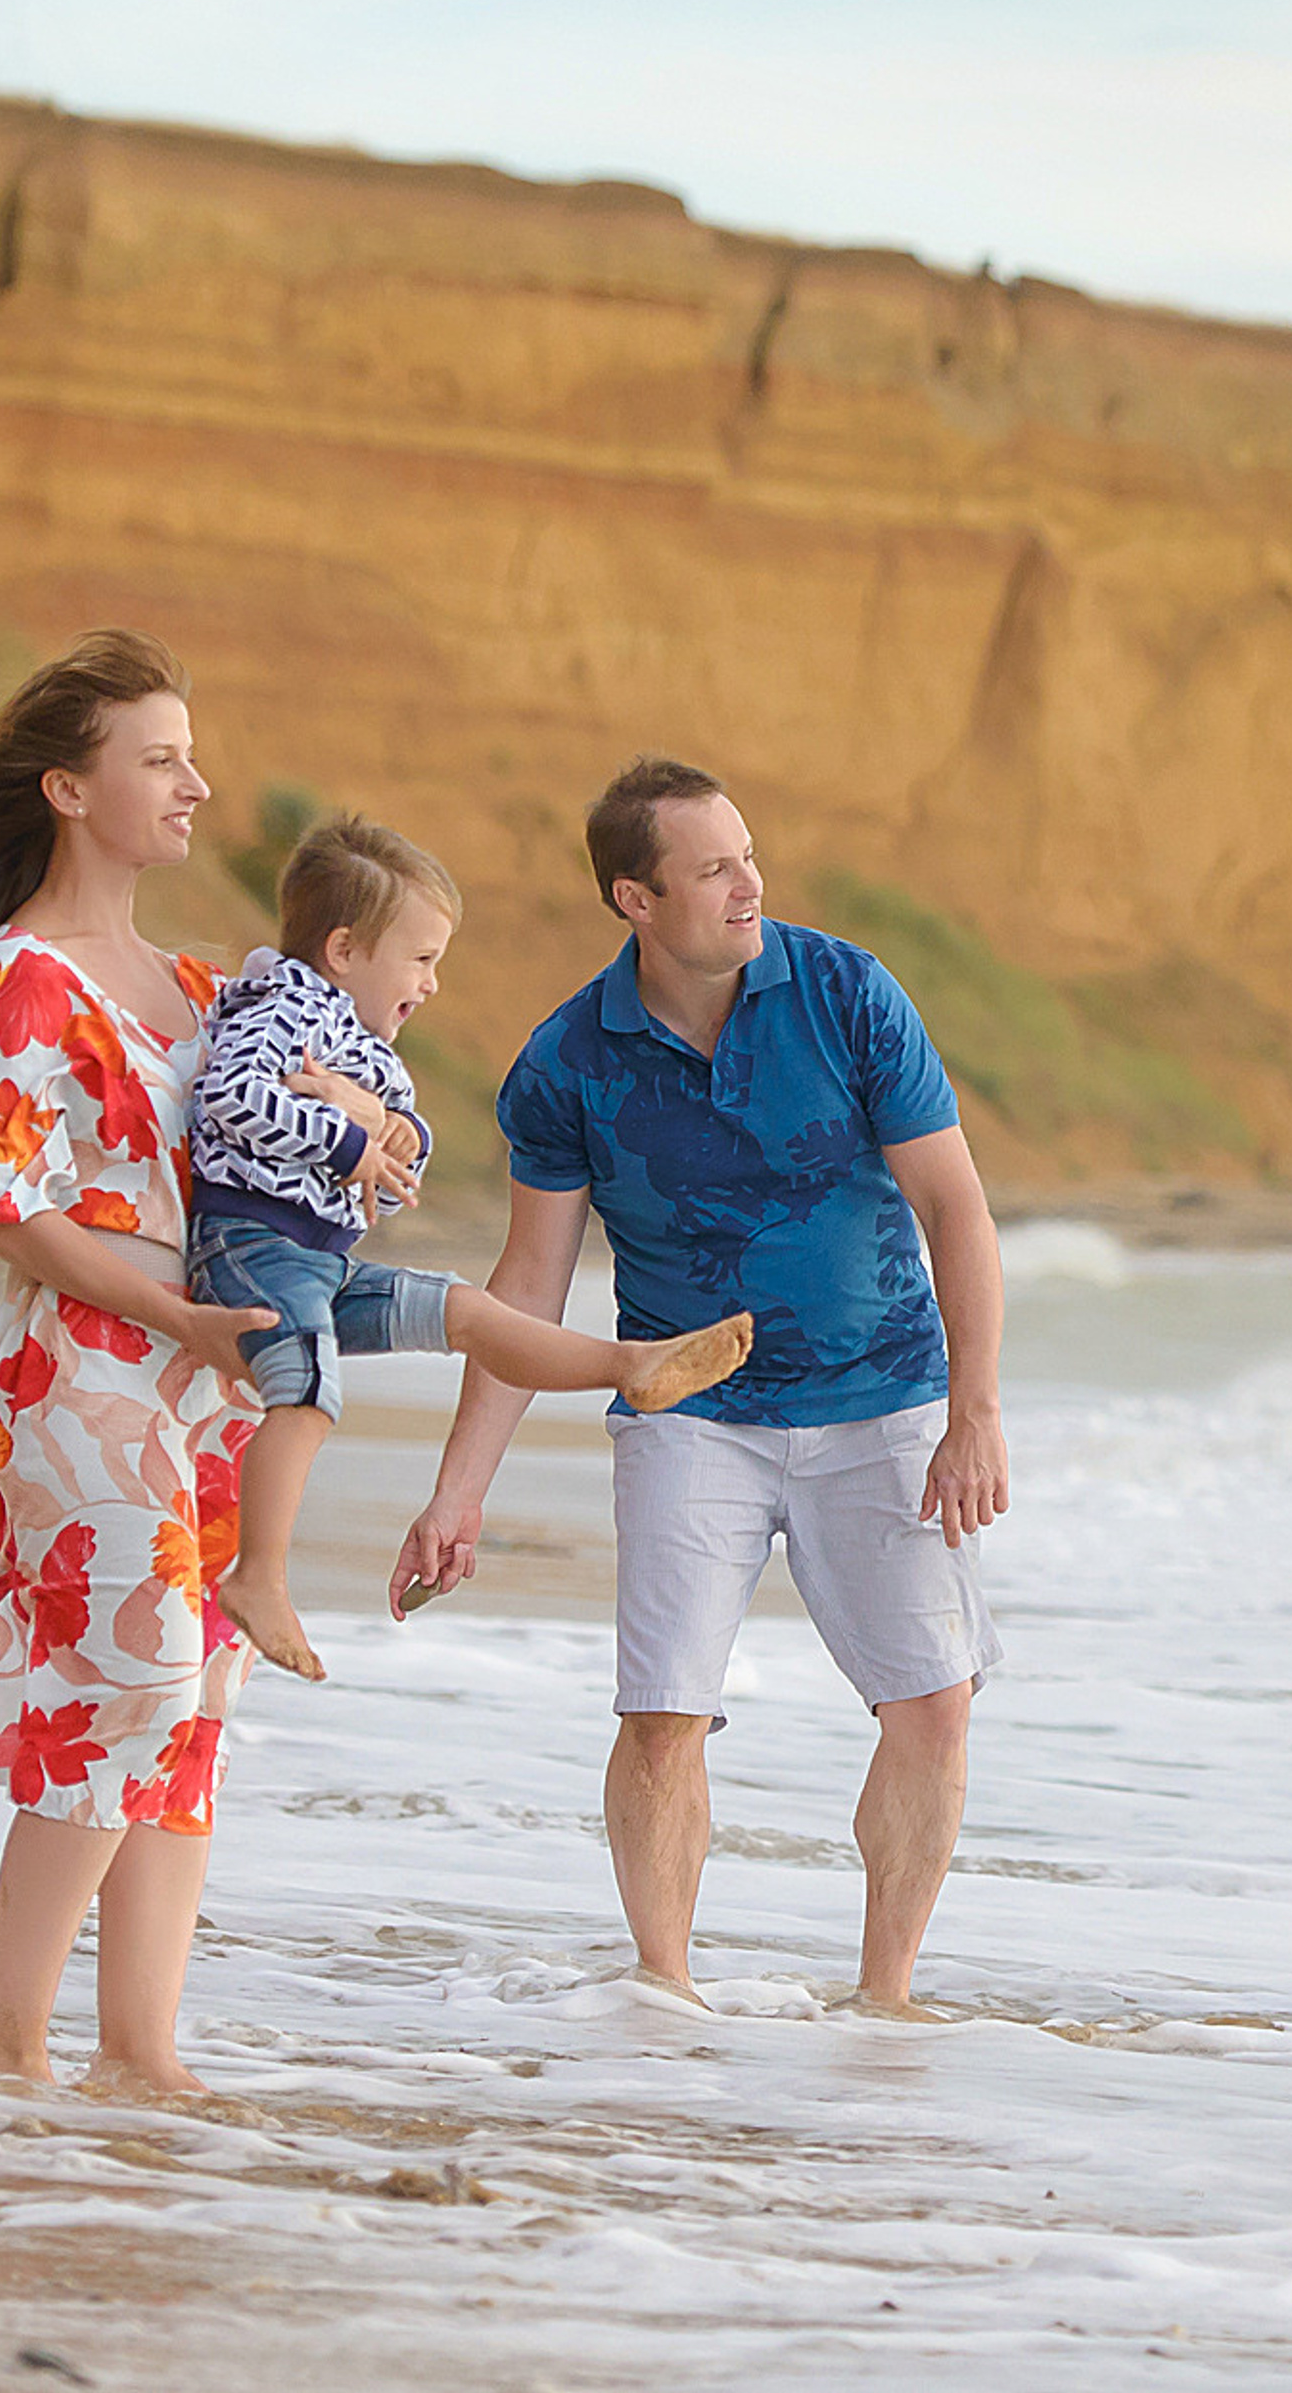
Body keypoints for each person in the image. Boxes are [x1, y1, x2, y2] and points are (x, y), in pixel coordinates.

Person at [391, 758, 1008, 2011]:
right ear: (636, 896)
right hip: (689, 1416)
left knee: (932, 1705)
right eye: (715, 866)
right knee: (663, 1712)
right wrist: (455, 1496)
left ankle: (883, 1998)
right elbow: (527, 1289)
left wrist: (974, 1413)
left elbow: (956, 1205)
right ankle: (661, 1994)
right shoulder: (568, 1061)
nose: (750, 883)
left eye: (749, 854)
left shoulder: (845, 993)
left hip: (881, 1397)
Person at [188, 813, 752, 1685]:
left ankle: (629, 1363)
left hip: (318, 1259)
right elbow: (229, 1097)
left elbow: (408, 1126)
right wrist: (348, 1144)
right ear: (344, 950)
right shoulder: (282, 1009)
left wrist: (385, 1129)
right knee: (304, 1389)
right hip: (252, 1246)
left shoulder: (356, 1037)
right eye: (420, 959)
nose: (435, 983)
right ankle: (259, 1576)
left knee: (468, 1312)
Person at [0, 630, 289, 2092]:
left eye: (189, 754)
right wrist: (175, 1322)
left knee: (194, 1709)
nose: (195, 785)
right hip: (85, 1385)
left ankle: (141, 2057)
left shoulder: (204, 989)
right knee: (129, 1692)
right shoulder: (17, 979)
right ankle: (10, 2047)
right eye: (157, 759)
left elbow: (281, 1170)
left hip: (208, 1390)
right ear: (68, 790)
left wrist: (375, 1145)